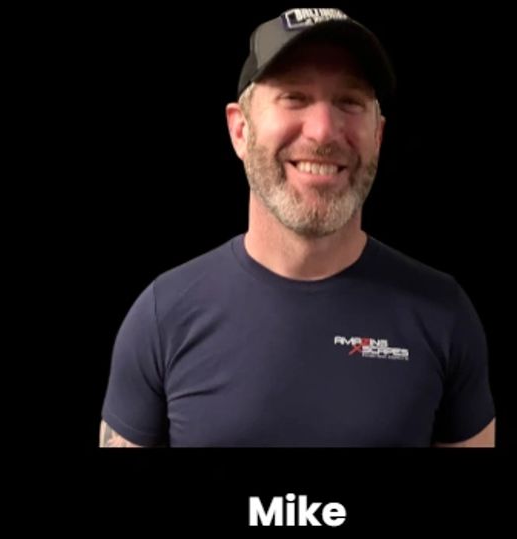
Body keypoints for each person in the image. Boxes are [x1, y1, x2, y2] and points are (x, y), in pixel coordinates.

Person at [101, 8, 495, 447]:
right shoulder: (162, 317)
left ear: (379, 136)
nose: (324, 130)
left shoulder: (444, 315)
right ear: (240, 130)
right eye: (294, 97)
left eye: (350, 101)